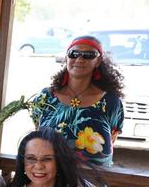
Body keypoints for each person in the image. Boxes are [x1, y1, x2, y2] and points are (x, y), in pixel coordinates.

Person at [30, 35, 124, 167]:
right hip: (50, 179)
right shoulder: (46, 97)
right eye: (73, 54)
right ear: (66, 58)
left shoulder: (110, 101)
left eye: (88, 55)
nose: (79, 59)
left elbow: (112, 138)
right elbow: (37, 130)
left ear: (98, 61)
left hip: (93, 181)